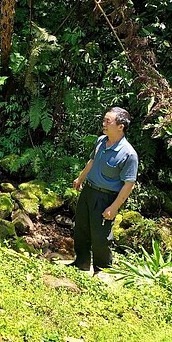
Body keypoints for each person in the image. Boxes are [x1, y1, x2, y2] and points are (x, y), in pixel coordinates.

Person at [70, 107, 138, 274]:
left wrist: (114, 207)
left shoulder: (128, 154)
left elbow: (129, 184)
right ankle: (81, 263)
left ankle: (103, 271)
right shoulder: (101, 140)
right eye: (104, 120)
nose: (104, 124)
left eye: (108, 121)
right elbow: (92, 161)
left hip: (106, 197)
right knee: (81, 228)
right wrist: (80, 179)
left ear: (120, 126)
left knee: (100, 237)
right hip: (88, 191)